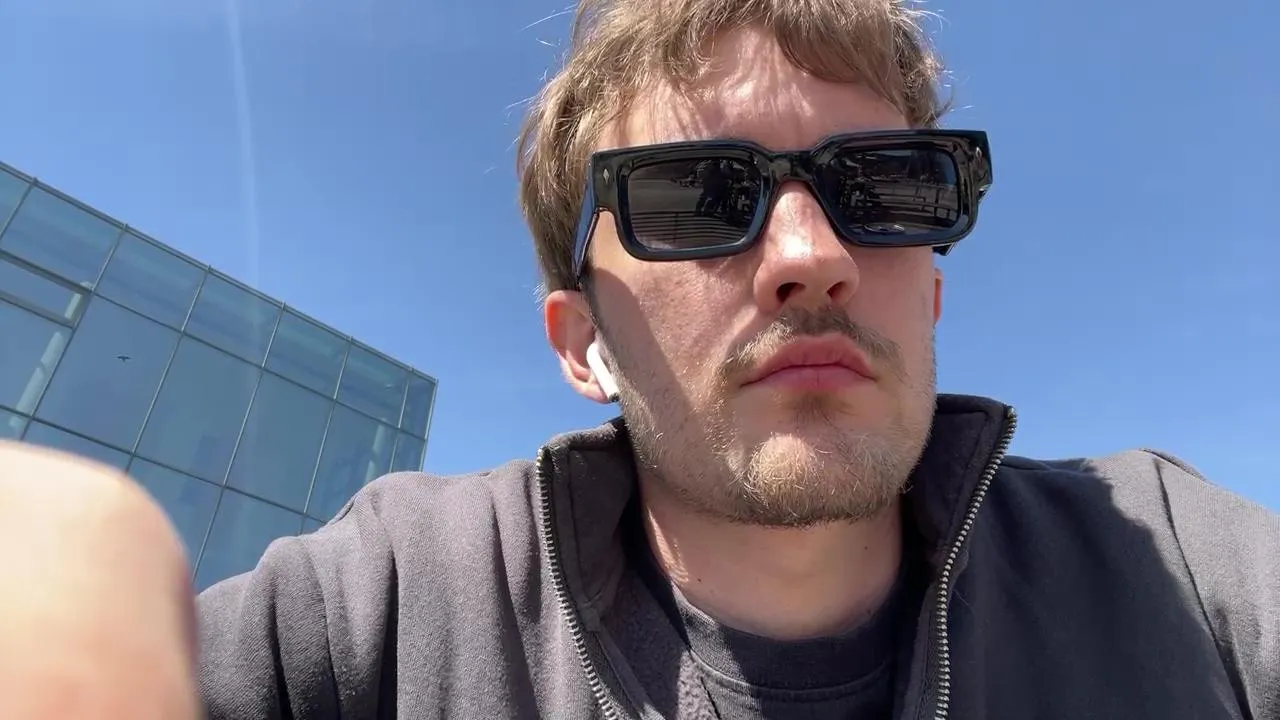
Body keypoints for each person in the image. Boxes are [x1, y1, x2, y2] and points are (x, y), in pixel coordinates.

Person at [2, 0, 1277, 718]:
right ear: (583, 347)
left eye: (883, 185)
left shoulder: (1173, 565)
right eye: (691, 197)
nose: (810, 256)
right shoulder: (392, 608)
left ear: (930, 296)